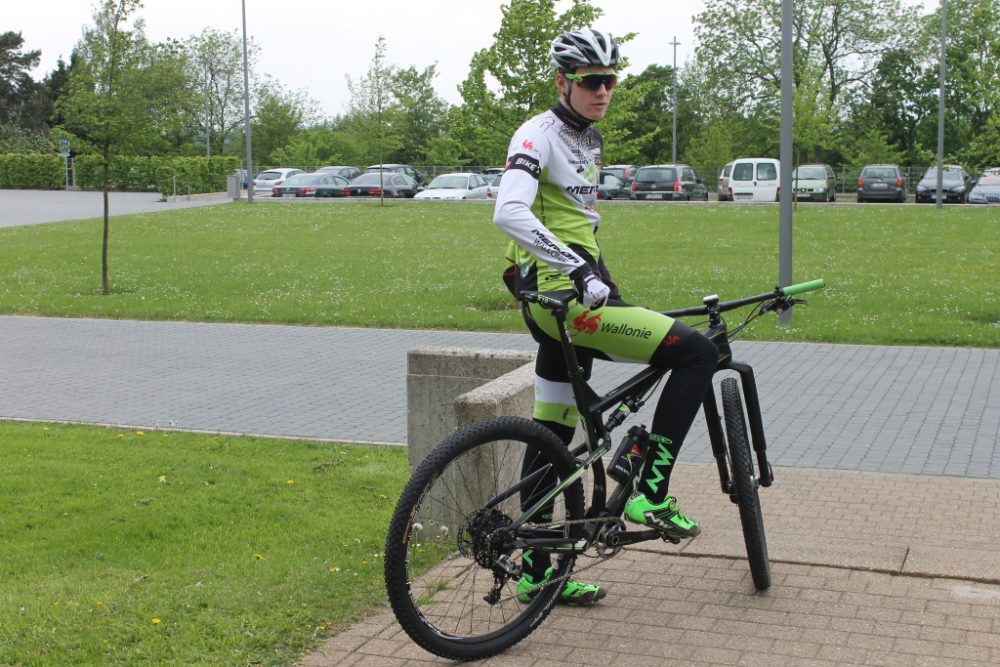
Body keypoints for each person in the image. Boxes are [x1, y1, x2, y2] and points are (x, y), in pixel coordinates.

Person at [493, 28, 719, 606]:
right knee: (696, 351)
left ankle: (537, 571)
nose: (602, 90)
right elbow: (509, 211)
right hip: (569, 305)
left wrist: (597, 275)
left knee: (553, 435)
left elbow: (569, 219)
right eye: (591, 81)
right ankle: (650, 488)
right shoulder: (536, 134)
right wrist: (576, 271)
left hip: (574, 302)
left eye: (610, 80)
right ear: (562, 82)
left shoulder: (587, 140)